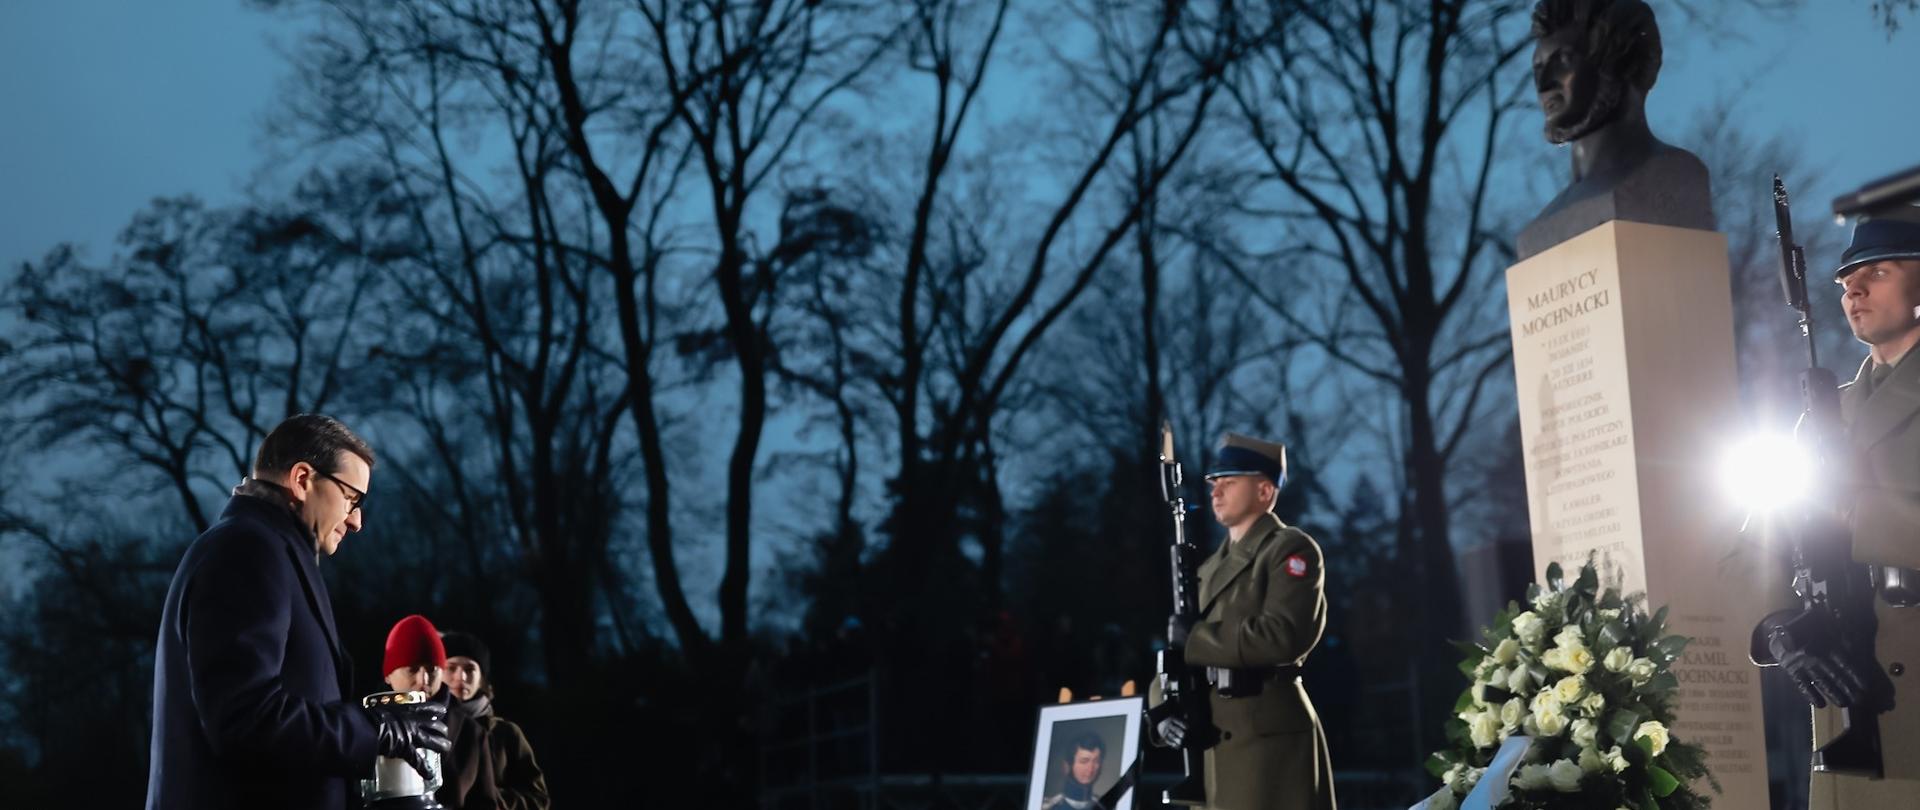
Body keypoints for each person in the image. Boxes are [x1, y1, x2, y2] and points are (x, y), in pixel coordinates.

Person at [147, 414, 450, 810]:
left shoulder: (263, 549)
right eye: (352, 498)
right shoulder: (246, 550)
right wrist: (373, 732)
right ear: (303, 479)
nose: (357, 521)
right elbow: (245, 717)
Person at [1752, 206, 1920, 809]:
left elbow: (1836, 512)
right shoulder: (1824, 417)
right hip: (1846, 687)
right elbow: (1757, 540)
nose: (1853, 287)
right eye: (1847, 277)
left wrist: (1855, 515)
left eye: (1878, 270)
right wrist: (1778, 626)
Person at [1150, 433, 1336, 810]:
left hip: (1268, 739)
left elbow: (1284, 635)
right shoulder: (1206, 570)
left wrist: (1198, 639)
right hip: (1212, 744)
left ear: (1265, 490)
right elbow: (1178, 654)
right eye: (1214, 483)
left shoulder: (1290, 549)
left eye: (1229, 482)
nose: (1216, 492)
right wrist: (1162, 709)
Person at [436, 630, 551, 810]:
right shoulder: (430, 726)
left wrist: (491, 797)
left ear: (481, 676)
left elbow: (538, 799)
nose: (461, 677)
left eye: (470, 669)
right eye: (451, 668)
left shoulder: (506, 733)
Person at [383, 614, 448, 696]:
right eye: (412, 670)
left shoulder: (462, 709)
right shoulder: (367, 708)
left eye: (432, 670)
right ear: (388, 676)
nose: (423, 680)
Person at [1040, 732, 1106, 810]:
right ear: (1067, 766)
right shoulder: (1047, 807)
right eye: (1084, 761)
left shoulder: (1104, 806)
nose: (1090, 768)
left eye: (1096, 761)